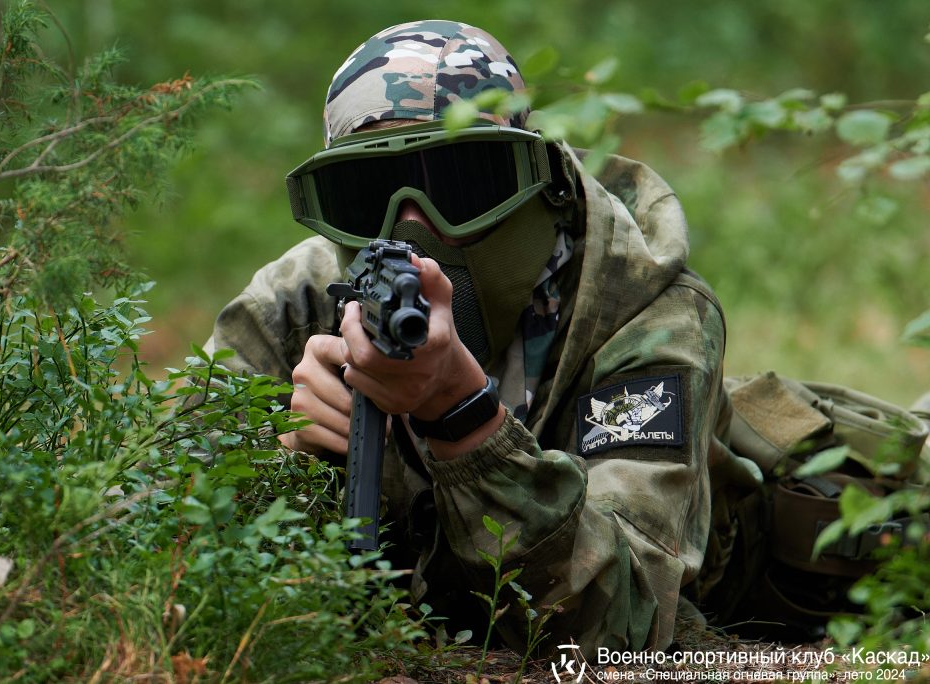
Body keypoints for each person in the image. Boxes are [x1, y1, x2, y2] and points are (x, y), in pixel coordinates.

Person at [205, 20, 761, 654]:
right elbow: (144, 529)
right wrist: (284, 467)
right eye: (367, 194)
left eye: (461, 185)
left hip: (775, 569)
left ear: (538, 182)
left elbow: (626, 629)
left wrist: (461, 419)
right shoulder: (296, 305)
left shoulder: (645, 313)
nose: (414, 229)